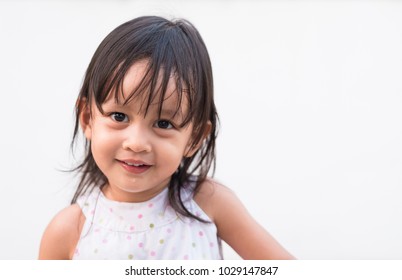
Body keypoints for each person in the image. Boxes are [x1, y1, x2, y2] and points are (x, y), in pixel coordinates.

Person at [38, 16, 294, 260]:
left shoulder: (208, 203)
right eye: (119, 116)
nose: (136, 142)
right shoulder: (69, 230)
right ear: (87, 119)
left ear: (194, 138)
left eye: (163, 123)